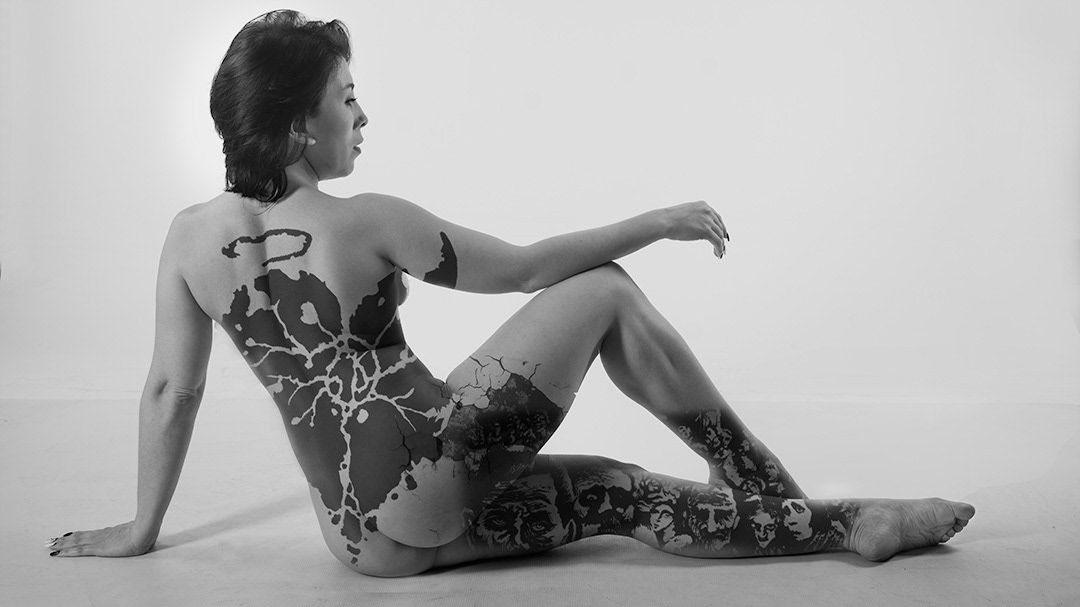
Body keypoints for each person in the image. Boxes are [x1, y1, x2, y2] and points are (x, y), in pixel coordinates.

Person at [46, 10, 974, 577]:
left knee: (617, 491)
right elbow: (532, 268)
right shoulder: (365, 221)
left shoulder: (185, 240)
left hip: (360, 542)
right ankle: (779, 492)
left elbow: (170, 391)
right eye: (347, 97)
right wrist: (656, 219)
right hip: (429, 472)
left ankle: (850, 525)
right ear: (298, 126)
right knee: (604, 290)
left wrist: (140, 530)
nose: (362, 116)